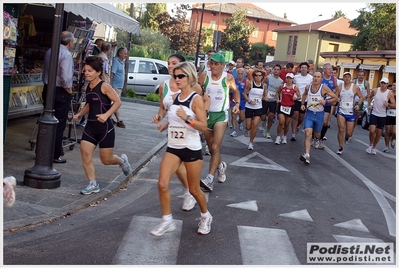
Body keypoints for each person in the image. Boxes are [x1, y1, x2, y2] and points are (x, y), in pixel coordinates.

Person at [150, 62, 212, 236]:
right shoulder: (174, 97)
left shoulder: (196, 99)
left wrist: (187, 119)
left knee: (194, 190)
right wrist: (165, 124)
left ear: (190, 77)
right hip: (174, 147)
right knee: (162, 183)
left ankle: (205, 216)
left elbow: (203, 126)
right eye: (175, 76)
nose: (177, 79)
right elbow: (174, 116)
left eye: (181, 76)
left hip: (191, 148)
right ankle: (167, 220)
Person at [73, 56, 131, 195]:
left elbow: (118, 102)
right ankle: (93, 184)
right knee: (85, 154)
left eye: (90, 71)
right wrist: (80, 114)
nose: (86, 73)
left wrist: (106, 115)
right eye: (85, 70)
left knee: (106, 160)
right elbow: (89, 104)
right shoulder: (87, 87)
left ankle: (122, 161)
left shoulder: (105, 86)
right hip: (90, 127)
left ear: (98, 72)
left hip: (105, 128)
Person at [198, 53, 240, 192]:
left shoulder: (228, 78)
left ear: (223, 65)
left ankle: (209, 178)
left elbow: (236, 91)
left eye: (217, 64)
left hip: (221, 115)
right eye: (212, 63)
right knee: (212, 149)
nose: (213, 66)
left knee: (216, 146)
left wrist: (237, 104)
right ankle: (221, 166)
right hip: (207, 116)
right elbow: (197, 93)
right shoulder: (204, 76)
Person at [42, 31, 75, 164]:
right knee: (59, 123)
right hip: (60, 91)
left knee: (46, 120)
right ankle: (54, 154)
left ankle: (43, 150)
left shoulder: (50, 51)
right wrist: (69, 90)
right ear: (70, 42)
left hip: (47, 87)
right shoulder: (66, 55)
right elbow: (65, 77)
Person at [299, 71, 338, 164]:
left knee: (317, 134)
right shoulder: (308, 87)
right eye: (315, 77)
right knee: (308, 133)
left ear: (321, 79)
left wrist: (326, 102)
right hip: (309, 113)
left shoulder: (324, 88)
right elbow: (304, 94)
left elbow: (335, 98)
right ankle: (307, 155)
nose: (316, 78)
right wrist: (302, 104)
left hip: (319, 115)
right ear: (313, 78)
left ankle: (316, 139)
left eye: (318, 77)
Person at [334, 72, 364, 155]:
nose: (347, 78)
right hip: (341, 111)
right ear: (343, 78)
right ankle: (340, 147)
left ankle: (347, 137)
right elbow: (335, 97)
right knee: (341, 129)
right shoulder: (340, 88)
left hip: (351, 112)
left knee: (349, 133)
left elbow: (361, 97)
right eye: (345, 77)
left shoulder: (355, 88)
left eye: (348, 77)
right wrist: (335, 100)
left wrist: (358, 105)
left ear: (350, 78)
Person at [366, 78, 396, 155]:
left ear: (387, 84)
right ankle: (370, 145)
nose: (383, 85)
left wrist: (388, 105)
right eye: (382, 83)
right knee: (372, 130)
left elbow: (394, 104)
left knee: (379, 132)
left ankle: (374, 147)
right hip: (374, 113)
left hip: (383, 115)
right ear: (380, 83)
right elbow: (369, 96)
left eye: (384, 83)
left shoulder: (389, 93)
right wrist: (369, 105)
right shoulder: (375, 90)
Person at [243, 69, 267, 150]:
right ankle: (247, 129)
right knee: (248, 126)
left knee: (255, 125)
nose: (258, 77)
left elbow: (264, 96)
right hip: (249, 107)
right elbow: (244, 93)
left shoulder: (264, 85)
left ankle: (250, 142)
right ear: (254, 76)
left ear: (262, 77)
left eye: (260, 75)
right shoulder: (250, 84)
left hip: (258, 107)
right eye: (256, 75)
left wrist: (265, 98)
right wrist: (249, 100)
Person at [275, 73, 301, 144]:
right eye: (287, 78)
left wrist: (296, 98)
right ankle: (278, 137)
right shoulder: (282, 86)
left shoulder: (295, 87)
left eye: (290, 78)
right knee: (281, 121)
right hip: (282, 105)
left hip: (290, 107)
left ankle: (285, 136)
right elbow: (277, 93)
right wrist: (277, 99)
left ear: (293, 79)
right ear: (286, 79)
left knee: (287, 123)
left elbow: (299, 96)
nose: (289, 80)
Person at [291, 62, 313, 141]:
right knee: (295, 116)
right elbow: (292, 86)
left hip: (305, 100)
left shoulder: (311, 78)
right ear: (300, 69)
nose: (303, 69)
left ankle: (297, 126)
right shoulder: (296, 77)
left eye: (305, 68)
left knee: (301, 118)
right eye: (302, 67)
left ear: (307, 69)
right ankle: (293, 134)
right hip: (297, 99)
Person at [260, 64, 283, 139]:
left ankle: (267, 131)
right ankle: (264, 121)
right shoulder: (268, 77)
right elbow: (262, 85)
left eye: (277, 69)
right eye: (275, 69)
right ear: (273, 70)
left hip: (273, 101)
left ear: (280, 71)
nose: (276, 71)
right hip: (266, 99)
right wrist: (263, 96)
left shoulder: (281, 81)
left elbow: (280, 92)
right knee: (263, 117)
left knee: (271, 116)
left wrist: (278, 100)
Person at [319, 62, 337, 147]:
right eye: (329, 69)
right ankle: (314, 137)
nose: (331, 70)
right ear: (324, 70)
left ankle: (321, 139)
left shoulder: (333, 79)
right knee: (318, 121)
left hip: (327, 103)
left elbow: (336, 89)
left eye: (331, 69)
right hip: (318, 102)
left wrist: (334, 95)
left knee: (325, 122)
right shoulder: (320, 78)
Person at [110, 47, 128, 128]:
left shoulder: (122, 62)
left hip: (119, 87)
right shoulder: (116, 62)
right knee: (116, 104)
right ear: (120, 53)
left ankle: (112, 119)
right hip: (115, 86)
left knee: (115, 104)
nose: (126, 55)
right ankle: (117, 120)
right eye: (124, 53)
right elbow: (112, 74)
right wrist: (110, 86)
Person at [230, 67, 248, 137]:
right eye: (238, 73)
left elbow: (248, 91)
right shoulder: (233, 81)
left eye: (241, 73)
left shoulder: (246, 81)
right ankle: (234, 130)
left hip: (243, 101)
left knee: (242, 118)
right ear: (236, 74)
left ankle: (240, 122)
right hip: (234, 100)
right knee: (233, 115)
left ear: (243, 74)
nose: (240, 75)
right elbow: (230, 90)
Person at [353, 69, 370, 135]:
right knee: (350, 117)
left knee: (356, 118)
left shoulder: (366, 83)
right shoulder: (354, 81)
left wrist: (364, 98)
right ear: (357, 75)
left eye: (362, 75)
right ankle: (349, 128)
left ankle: (351, 132)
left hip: (360, 102)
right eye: (359, 75)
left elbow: (369, 94)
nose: (361, 77)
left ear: (364, 76)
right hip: (353, 101)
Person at [383, 82, 396, 152]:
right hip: (387, 114)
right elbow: (384, 103)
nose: (395, 87)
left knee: (394, 132)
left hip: (396, 115)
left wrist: (389, 105)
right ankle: (386, 146)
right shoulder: (388, 93)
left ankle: (393, 139)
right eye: (393, 85)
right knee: (387, 131)